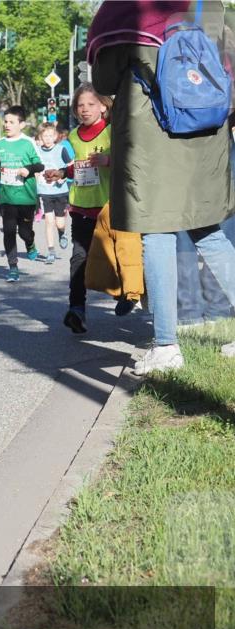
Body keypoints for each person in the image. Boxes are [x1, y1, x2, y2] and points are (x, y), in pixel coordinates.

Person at [89, 0, 235, 372]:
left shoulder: (126, 7)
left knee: (156, 232)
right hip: (207, 130)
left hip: (152, 132)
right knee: (208, 231)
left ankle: (167, 346)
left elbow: (105, 81)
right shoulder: (209, 4)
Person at [43, 83, 114, 335]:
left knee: (115, 257)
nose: (84, 109)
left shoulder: (111, 131)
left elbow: (131, 160)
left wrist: (109, 160)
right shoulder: (73, 136)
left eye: (90, 104)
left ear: (103, 106)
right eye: (80, 105)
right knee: (78, 258)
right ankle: (77, 310)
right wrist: (61, 173)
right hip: (81, 206)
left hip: (109, 208)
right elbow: (80, 166)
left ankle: (129, 294)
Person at [0, 106, 43, 282]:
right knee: (9, 231)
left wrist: (28, 169)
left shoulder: (28, 143)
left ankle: (30, 243)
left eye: (11, 122)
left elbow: (39, 166)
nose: (7, 125)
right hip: (7, 197)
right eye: (5, 121)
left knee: (25, 232)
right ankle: (13, 267)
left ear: (22, 124)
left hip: (26, 197)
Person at [35, 122, 72, 264]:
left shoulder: (61, 149)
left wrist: (64, 177)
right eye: (45, 136)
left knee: (60, 223)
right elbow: (36, 167)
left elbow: (70, 166)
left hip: (60, 190)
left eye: (51, 135)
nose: (48, 138)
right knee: (49, 221)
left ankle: (62, 233)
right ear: (40, 137)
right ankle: (51, 251)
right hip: (45, 191)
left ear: (55, 136)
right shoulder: (37, 150)